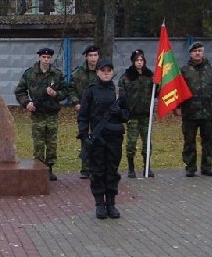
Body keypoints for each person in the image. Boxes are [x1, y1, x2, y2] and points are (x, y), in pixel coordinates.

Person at [77, 57, 129, 219]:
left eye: (109, 71)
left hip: (114, 137)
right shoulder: (90, 91)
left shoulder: (119, 92)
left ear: (112, 73)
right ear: (97, 72)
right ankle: (100, 203)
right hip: (97, 138)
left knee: (112, 171)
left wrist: (119, 112)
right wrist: (84, 136)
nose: (106, 73)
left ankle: (111, 204)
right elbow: (83, 116)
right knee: (97, 171)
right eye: (103, 70)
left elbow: (127, 115)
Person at [15, 46, 70, 181]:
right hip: (38, 113)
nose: (46, 60)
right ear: (39, 58)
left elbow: (65, 92)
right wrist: (27, 103)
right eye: (43, 57)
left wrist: (56, 93)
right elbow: (20, 91)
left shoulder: (57, 74)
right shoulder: (30, 74)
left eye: (48, 57)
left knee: (51, 143)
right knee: (38, 143)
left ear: (51, 59)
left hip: (52, 114)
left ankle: (49, 168)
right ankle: (39, 169)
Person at [174, 41, 212, 177]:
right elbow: (177, 90)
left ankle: (206, 167)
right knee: (189, 141)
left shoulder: (211, 70)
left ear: (203, 53)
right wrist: (177, 107)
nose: (197, 53)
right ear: (190, 53)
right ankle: (190, 167)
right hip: (189, 112)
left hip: (207, 112)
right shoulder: (184, 70)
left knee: (208, 141)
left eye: (200, 51)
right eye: (195, 51)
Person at [119, 49, 157, 178]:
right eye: (137, 60)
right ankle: (131, 168)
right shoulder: (126, 77)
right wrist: (124, 115)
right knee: (131, 143)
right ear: (133, 62)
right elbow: (122, 98)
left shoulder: (150, 76)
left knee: (147, 143)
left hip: (146, 116)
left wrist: (158, 84)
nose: (139, 62)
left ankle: (147, 167)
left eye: (141, 60)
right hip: (132, 116)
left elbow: (156, 93)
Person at [70, 45, 100, 179]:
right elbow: (70, 89)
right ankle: (85, 168)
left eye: (95, 55)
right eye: (91, 55)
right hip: (83, 111)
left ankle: (96, 168)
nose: (93, 58)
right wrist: (76, 103)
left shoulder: (102, 71)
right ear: (86, 57)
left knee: (98, 137)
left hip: (98, 112)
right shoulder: (78, 73)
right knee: (84, 137)